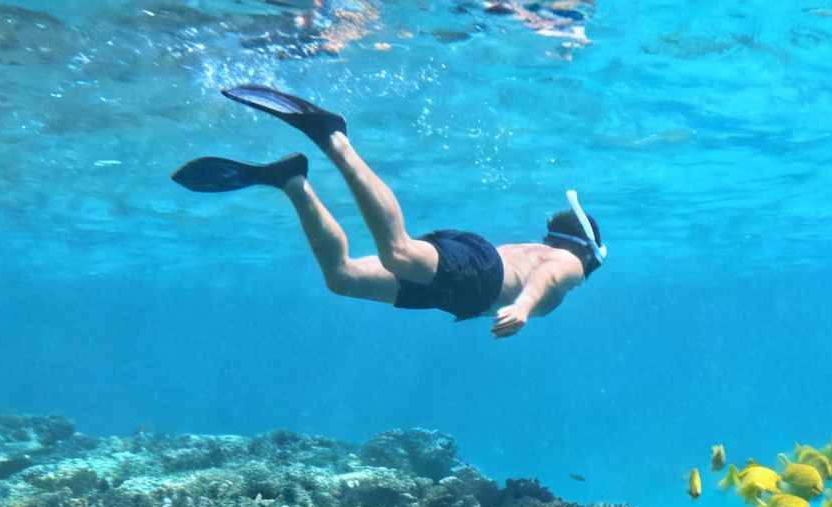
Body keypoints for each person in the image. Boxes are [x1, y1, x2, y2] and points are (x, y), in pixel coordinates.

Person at [173, 85, 604, 338]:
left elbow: (540, 268)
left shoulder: (542, 249)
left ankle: (292, 181)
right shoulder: (570, 263)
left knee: (342, 278)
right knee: (396, 251)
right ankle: (333, 137)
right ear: (588, 251)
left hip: (461, 288)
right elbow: (549, 278)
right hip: (479, 275)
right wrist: (526, 308)